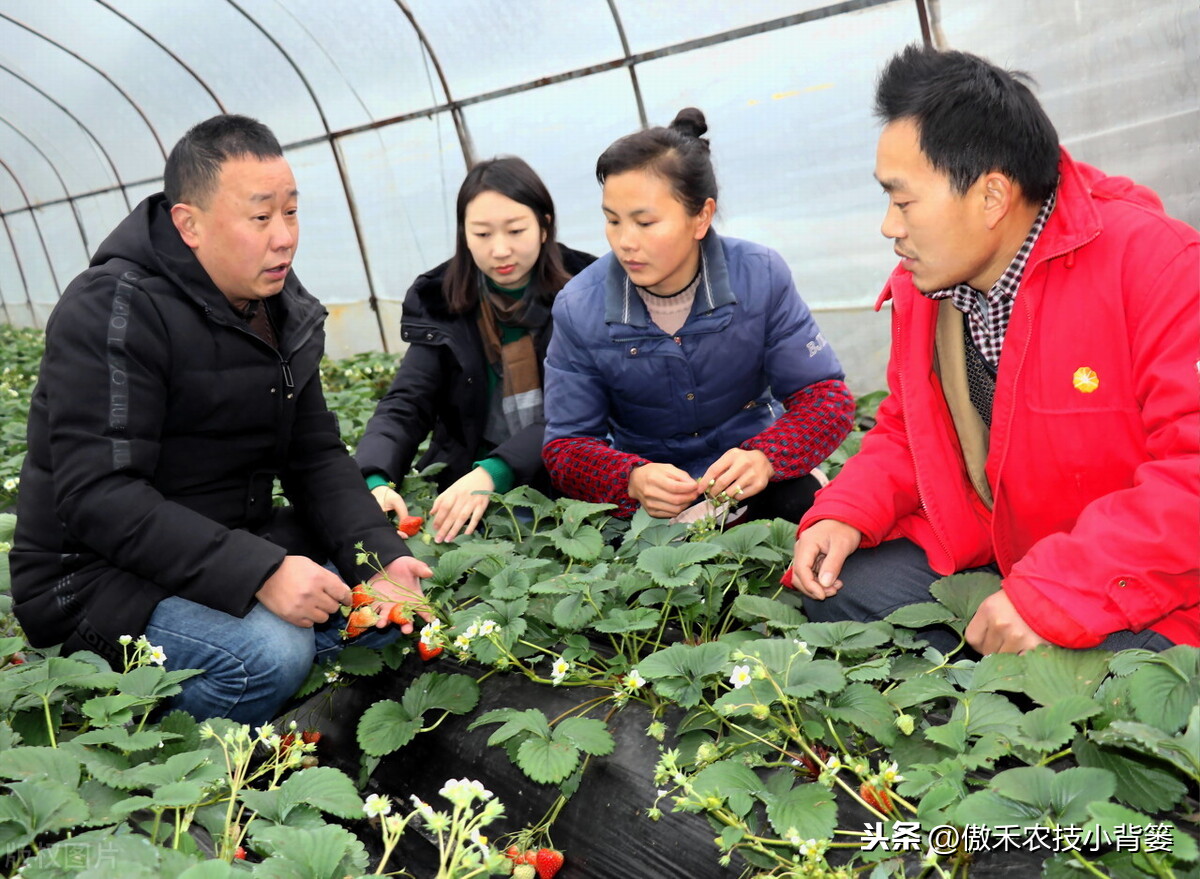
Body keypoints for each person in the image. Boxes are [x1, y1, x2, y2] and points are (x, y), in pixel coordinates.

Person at [10, 114, 432, 726]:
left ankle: (263, 685)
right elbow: (99, 496)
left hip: (218, 540)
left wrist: (380, 557)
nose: (284, 237)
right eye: (261, 217)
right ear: (190, 224)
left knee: (390, 605)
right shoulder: (113, 309)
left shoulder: (278, 306)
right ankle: (163, 754)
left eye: (291, 212)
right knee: (268, 654)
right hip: (93, 576)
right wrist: (261, 573)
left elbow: (315, 456)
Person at [787, 45, 1199, 653]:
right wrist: (845, 512)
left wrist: (1056, 592)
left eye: (903, 201)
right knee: (841, 589)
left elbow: (1190, 478)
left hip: (1137, 585)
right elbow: (905, 434)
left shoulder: (1159, 266)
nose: (889, 227)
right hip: (1006, 557)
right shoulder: (930, 289)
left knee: (1107, 695)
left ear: (991, 197)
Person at [542, 109, 854, 523]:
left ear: (701, 216)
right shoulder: (578, 307)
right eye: (612, 220)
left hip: (759, 484)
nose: (625, 242)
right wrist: (632, 479)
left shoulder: (759, 276)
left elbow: (825, 398)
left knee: (801, 507)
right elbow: (566, 447)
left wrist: (766, 455)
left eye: (645, 222)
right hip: (654, 510)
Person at [357, 157, 594, 543]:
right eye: (482, 234)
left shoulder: (586, 290)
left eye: (516, 230)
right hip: (464, 480)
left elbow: (577, 409)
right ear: (463, 235)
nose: (500, 250)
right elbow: (407, 402)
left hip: (571, 476)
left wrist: (493, 473)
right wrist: (374, 476)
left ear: (544, 225)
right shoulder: (440, 300)